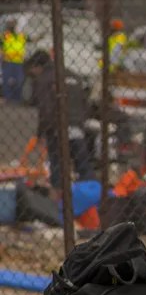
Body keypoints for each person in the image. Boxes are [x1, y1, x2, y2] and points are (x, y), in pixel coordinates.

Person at [25, 50, 95, 195]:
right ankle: (89, 196)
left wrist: (41, 132)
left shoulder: (44, 79)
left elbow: (45, 109)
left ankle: (59, 199)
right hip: (77, 125)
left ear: (38, 66)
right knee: (82, 164)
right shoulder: (73, 76)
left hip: (57, 127)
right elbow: (85, 102)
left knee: (57, 165)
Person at [2, 17, 25, 101]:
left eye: (13, 23)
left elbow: (30, 39)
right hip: (8, 61)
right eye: (10, 23)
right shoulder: (5, 36)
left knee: (19, 81)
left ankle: (16, 99)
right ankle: (8, 98)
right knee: (7, 81)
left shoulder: (20, 36)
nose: (11, 25)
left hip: (18, 62)